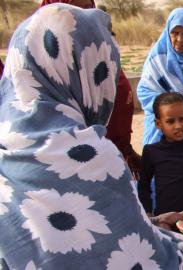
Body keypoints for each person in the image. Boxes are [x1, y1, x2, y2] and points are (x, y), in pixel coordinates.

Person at [0, 4, 183, 268]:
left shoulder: (8, 139)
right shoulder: (87, 159)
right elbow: (140, 258)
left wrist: (153, 221)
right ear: (85, 72)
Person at [40, 0, 143, 178]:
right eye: (75, 11)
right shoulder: (44, 82)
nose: (84, 18)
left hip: (114, 164)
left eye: (88, 9)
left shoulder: (100, 58)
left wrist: (125, 152)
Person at [137, 8, 183, 145]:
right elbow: (144, 91)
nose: (180, 39)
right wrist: (169, 107)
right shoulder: (158, 56)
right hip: (162, 126)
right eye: (175, 33)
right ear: (168, 32)